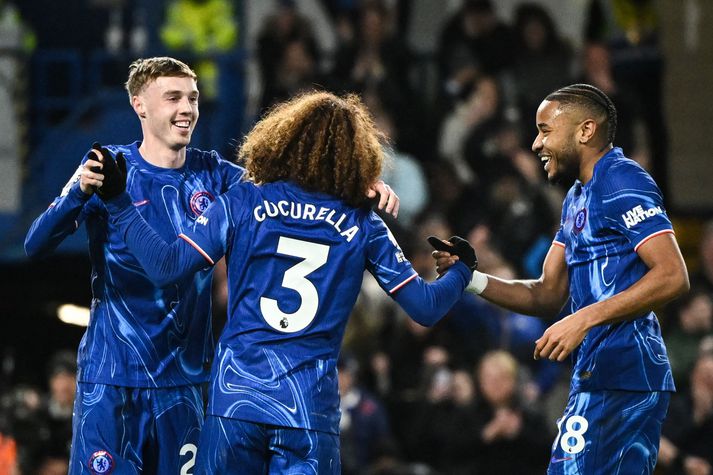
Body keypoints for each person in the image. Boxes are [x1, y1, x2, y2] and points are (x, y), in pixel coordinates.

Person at [24, 57, 400, 474]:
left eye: (193, 98)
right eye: (173, 97)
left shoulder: (222, 177)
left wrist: (353, 184)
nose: (187, 108)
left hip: (185, 382)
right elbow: (36, 243)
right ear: (139, 105)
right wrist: (77, 193)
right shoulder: (107, 167)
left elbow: (298, 193)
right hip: (111, 377)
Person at [94, 91, 476, 473]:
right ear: (357, 156)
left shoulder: (241, 200)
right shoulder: (363, 224)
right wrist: (462, 269)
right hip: (308, 411)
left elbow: (164, 266)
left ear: (283, 139)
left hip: (236, 402)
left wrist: (118, 201)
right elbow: (425, 308)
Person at [432, 83, 689, 474]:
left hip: (624, 375)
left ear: (585, 131)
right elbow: (547, 293)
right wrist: (471, 278)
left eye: (545, 130)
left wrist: (584, 318)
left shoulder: (621, 180)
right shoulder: (576, 198)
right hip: (598, 376)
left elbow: (672, 275)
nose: (536, 144)